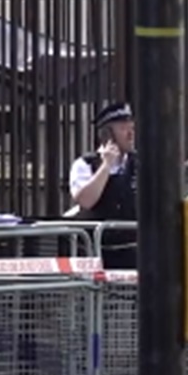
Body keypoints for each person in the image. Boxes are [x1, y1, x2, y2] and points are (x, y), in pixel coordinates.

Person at [69, 102, 139, 269]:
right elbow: (86, 200)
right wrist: (106, 165)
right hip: (97, 253)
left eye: (132, 128)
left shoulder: (139, 164)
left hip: (134, 252)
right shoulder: (85, 164)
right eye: (123, 128)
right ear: (107, 134)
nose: (130, 135)